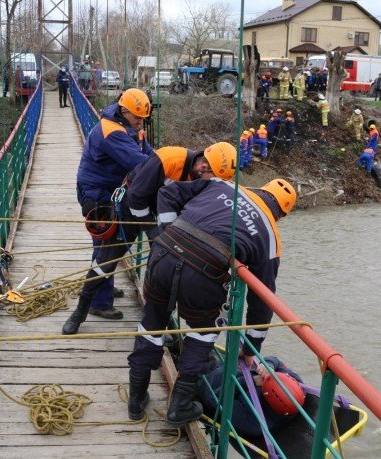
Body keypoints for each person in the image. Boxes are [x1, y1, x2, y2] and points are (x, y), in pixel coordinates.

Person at [126, 178, 297, 425]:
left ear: (262, 188)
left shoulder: (222, 185)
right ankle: (179, 407)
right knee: (203, 333)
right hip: (202, 273)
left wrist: (165, 229)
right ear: (281, 214)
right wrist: (250, 349)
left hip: (163, 251)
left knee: (151, 323)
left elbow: (169, 191)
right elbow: (262, 298)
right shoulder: (270, 235)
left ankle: (135, 399)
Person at [63, 142, 237, 335]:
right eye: (211, 177)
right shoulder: (169, 159)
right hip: (131, 204)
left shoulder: (200, 177)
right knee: (105, 261)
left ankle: (161, 319)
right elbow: (136, 195)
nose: (210, 183)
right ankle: (79, 312)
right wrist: (152, 230)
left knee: (163, 265)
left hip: (161, 210)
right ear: (202, 166)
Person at [72, 88, 154, 326]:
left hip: (110, 189)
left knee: (108, 242)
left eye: (143, 119)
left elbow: (147, 153)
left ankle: (103, 287)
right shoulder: (112, 132)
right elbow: (140, 163)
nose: (140, 123)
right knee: (105, 242)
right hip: (95, 192)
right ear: (124, 110)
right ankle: (99, 301)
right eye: (137, 118)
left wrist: (160, 158)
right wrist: (166, 168)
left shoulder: (129, 127)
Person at [199, 356, 305, 438]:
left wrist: (250, 381)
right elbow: (276, 360)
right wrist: (268, 365)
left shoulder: (253, 424)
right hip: (222, 367)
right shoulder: (296, 385)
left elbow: (214, 399)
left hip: (204, 382)